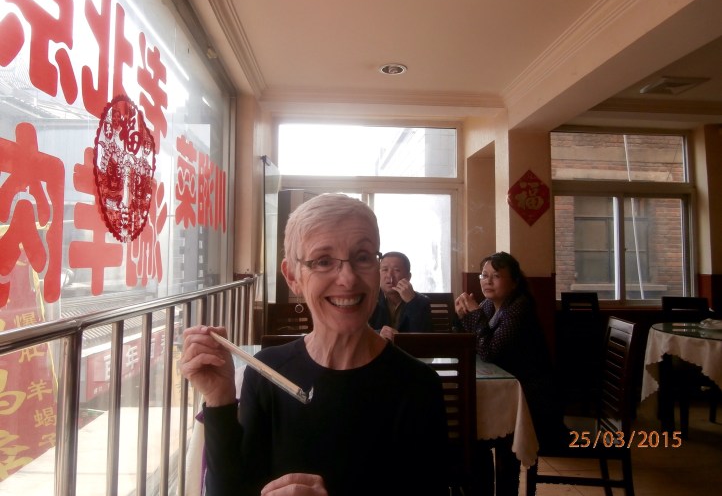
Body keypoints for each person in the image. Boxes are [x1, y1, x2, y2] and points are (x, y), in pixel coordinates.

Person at [181, 194, 449, 496]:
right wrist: (219, 398)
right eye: (323, 261)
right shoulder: (267, 373)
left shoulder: (418, 386)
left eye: (363, 257)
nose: (348, 279)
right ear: (292, 276)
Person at [454, 251, 566, 495]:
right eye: (484, 275)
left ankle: (503, 490)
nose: (487, 281)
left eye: (496, 276)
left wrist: (474, 315)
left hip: (535, 402)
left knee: (480, 434)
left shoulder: (519, 307)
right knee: (474, 432)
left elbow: (489, 351)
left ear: (514, 281)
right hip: (513, 395)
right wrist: (462, 318)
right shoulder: (489, 305)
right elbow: (475, 343)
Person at [368, 251, 433, 339]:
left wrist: (412, 303)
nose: (389, 275)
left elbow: (425, 338)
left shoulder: (422, 302)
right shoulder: (369, 299)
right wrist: (378, 334)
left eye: (397, 270)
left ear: (408, 277)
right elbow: (358, 333)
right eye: (385, 270)